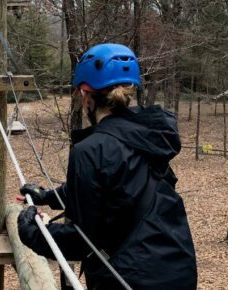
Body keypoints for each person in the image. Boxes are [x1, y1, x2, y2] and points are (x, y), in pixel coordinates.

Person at [16, 43, 197, 290]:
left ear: (85, 96)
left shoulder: (90, 150)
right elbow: (119, 190)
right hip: (179, 270)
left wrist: (32, 232)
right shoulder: (148, 134)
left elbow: (84, 242)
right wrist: (48, 196)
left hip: (129, 278)